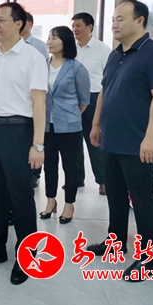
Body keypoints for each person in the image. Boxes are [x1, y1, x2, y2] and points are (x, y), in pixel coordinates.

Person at [87, 0, 153, 281]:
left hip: (137, 143)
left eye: (120, 19)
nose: (114, 24)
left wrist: (151, 137)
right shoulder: (115, 55)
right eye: (113, 19)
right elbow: (104, 90)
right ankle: (115, 242)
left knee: (142, 200)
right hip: (111, 138)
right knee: (115, 195)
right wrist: (96, 124)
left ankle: (148, 259)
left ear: (140, 21)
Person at [0, 2, 47, 285]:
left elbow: (39, 104)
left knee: (21, 196)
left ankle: (26, 256)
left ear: (19, 24)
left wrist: (38, 145)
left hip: (18, 131)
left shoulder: (32, 58)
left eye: (2, 20)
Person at [41, 26, 90, 224]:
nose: (50, 41)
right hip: (47, 125)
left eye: (55, 38)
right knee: (49, 165)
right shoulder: (42, 65)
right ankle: (50, 201)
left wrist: (70, 115)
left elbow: (84, 100)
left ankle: (69, 204)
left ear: (65, 42)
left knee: (71, 167)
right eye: (49, 37)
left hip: (70, 126)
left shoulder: (76, 68)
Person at [72, 12, 111, 195]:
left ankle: (103, 181)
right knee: (73, 141)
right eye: (73, 26)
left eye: (78, 26)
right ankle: (76, 178)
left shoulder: (102, 49)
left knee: (94, 141)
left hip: (94, 98)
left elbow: (108, 78)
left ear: (89, 27)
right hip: (73, 99)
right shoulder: (71, 49)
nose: (75, 29)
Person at [22, 12, 48, 187]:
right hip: (20, 103)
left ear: (29, 24)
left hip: (35, 98)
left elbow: (43, 73)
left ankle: (35, 173)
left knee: (34, 134)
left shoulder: (39, 47)